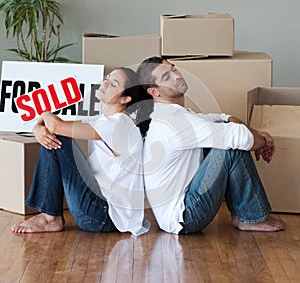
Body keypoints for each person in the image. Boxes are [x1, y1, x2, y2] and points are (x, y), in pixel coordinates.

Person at [137, 56, 285, 234]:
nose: (176, 76)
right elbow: (241, 138)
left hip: (181, 209)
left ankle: (243, 215)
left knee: (226, 132)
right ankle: (250, 217)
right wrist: (264, 142)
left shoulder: (170, 113)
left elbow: (221, 118)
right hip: (185, 216)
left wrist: (254, 133)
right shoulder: (173, 121)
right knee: (230, 148)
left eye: (173, 69)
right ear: (154, 92)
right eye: (166, 77)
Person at [11, 67, 150, 236]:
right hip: (99, 212)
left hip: (103, 216)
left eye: (113, 84)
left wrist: (44, 117)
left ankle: (50, 217)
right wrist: (37, 127)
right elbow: (55, 123)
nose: (105, 83)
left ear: (125, 99)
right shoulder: (103, 120)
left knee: (58, 136)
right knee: (57, 134)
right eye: (107, 78)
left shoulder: (120, 125)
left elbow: (55, 126)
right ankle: (49, 216)